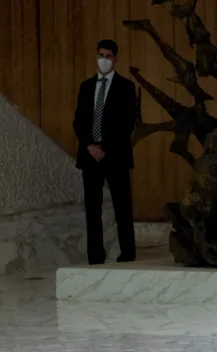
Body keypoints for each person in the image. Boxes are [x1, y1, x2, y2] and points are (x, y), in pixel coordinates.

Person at [73, 39, 137, 265]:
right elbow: (79, 120)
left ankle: (128, 253)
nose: (104, 60)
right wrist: (90, 145)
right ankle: (95, 255)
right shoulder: (86, 86)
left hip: (115, 155)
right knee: (92, 209)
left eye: (108, 56)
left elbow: (128, 123)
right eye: (100, 55)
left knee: (122, 207)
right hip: (89, 155)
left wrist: (105, 148)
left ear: (115, 59)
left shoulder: (126, 87)